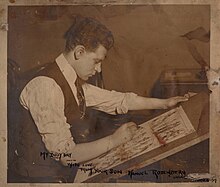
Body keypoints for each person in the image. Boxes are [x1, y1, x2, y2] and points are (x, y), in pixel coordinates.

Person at [11, 16, 188, 183]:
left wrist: (164, 103)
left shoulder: (70, 81)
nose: (98, 69)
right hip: (37, 180)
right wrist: (114, 140)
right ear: (79, 52)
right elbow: (66, 156)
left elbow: (118, 100)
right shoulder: (45, 86)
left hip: (62, 174)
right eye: (96, 61)